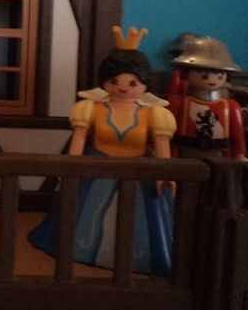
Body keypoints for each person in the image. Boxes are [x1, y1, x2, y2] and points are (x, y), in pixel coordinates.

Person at [29, 26, 177, 276]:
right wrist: (70, 167)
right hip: (96, 169)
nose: (123, 87)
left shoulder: (154, 114)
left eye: (132, 82)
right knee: (84, 214)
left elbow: (163, 147)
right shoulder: (91, 109)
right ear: (105, 81)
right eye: (114, 81)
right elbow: (78, 140)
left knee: (142, 221)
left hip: (139, 172)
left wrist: (166, 174)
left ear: (144, 83)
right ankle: (79, 249)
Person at [168, 36, 247, 160]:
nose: (212, 81)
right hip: (185, 153)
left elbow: (238, 132)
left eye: (219, 77)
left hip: (220, 155)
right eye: (204, 76)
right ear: (186, 73)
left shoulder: (231, 106)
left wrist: (239, 154)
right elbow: (167, 131)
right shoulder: (179, 103)